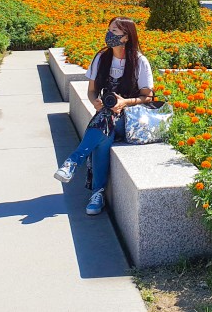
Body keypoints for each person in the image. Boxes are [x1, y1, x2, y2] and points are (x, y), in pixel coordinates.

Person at [53, 17, 154, 215]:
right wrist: (94, 102)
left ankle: (73, 163)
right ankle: (97, 194)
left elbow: (148, 97)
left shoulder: (139, 61)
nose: (110, 35)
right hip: (107, 118)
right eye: (109, 30)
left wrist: (125, 102)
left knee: (103, 123)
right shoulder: (101, 58)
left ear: (126, 37)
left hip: (131, 118)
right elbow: (91, 91)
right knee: (103, 137)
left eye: (115, 32)